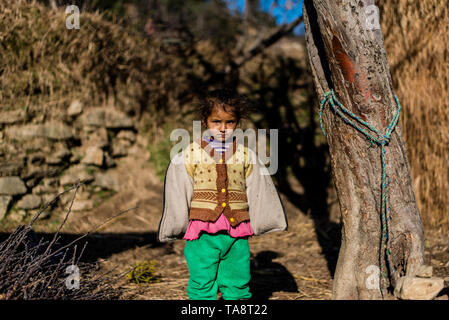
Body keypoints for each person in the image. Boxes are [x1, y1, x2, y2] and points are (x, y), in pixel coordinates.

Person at [157, 88, 287, 300]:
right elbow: (179, 187)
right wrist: (177, 223)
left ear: (238, 123)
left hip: (237, 231)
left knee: (238, 281)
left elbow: (258, 188)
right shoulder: (191, 152)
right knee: (202, 282)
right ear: (205, 121)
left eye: (230, 122)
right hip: (202, 231)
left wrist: (263, 220)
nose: (223, 128)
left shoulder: (246, 154)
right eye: (216, 121)